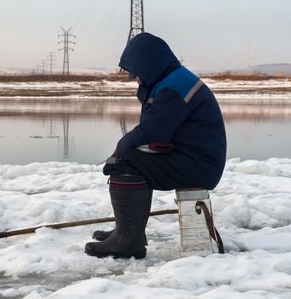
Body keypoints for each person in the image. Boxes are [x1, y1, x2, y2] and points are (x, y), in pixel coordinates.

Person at [85, 33, 227, 259]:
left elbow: (153, 130)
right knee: (129, 155)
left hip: (198, 167)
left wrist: (122, 145)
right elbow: (160, 131)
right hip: (197, 160)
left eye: (138, 74)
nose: (137, 79)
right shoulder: (173, 80)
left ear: (149, 65)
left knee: (124, 160)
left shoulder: (173, 88)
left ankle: (128, 240)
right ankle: (128, 231)